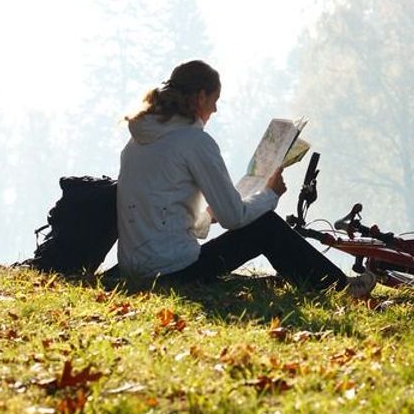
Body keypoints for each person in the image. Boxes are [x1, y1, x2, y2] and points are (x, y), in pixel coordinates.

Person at [115, 60, 375, 296]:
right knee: (266, 227)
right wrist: (270, 193)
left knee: (258, 223)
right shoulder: (195, 142)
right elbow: (234, 218)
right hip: (174, 272)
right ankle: (339, 289)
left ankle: (329, 284)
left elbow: (161, 213)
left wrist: (207, 217)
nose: (215, 109)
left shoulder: (137, 140)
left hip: (135, 268)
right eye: (215, 99)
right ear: (201, 97)